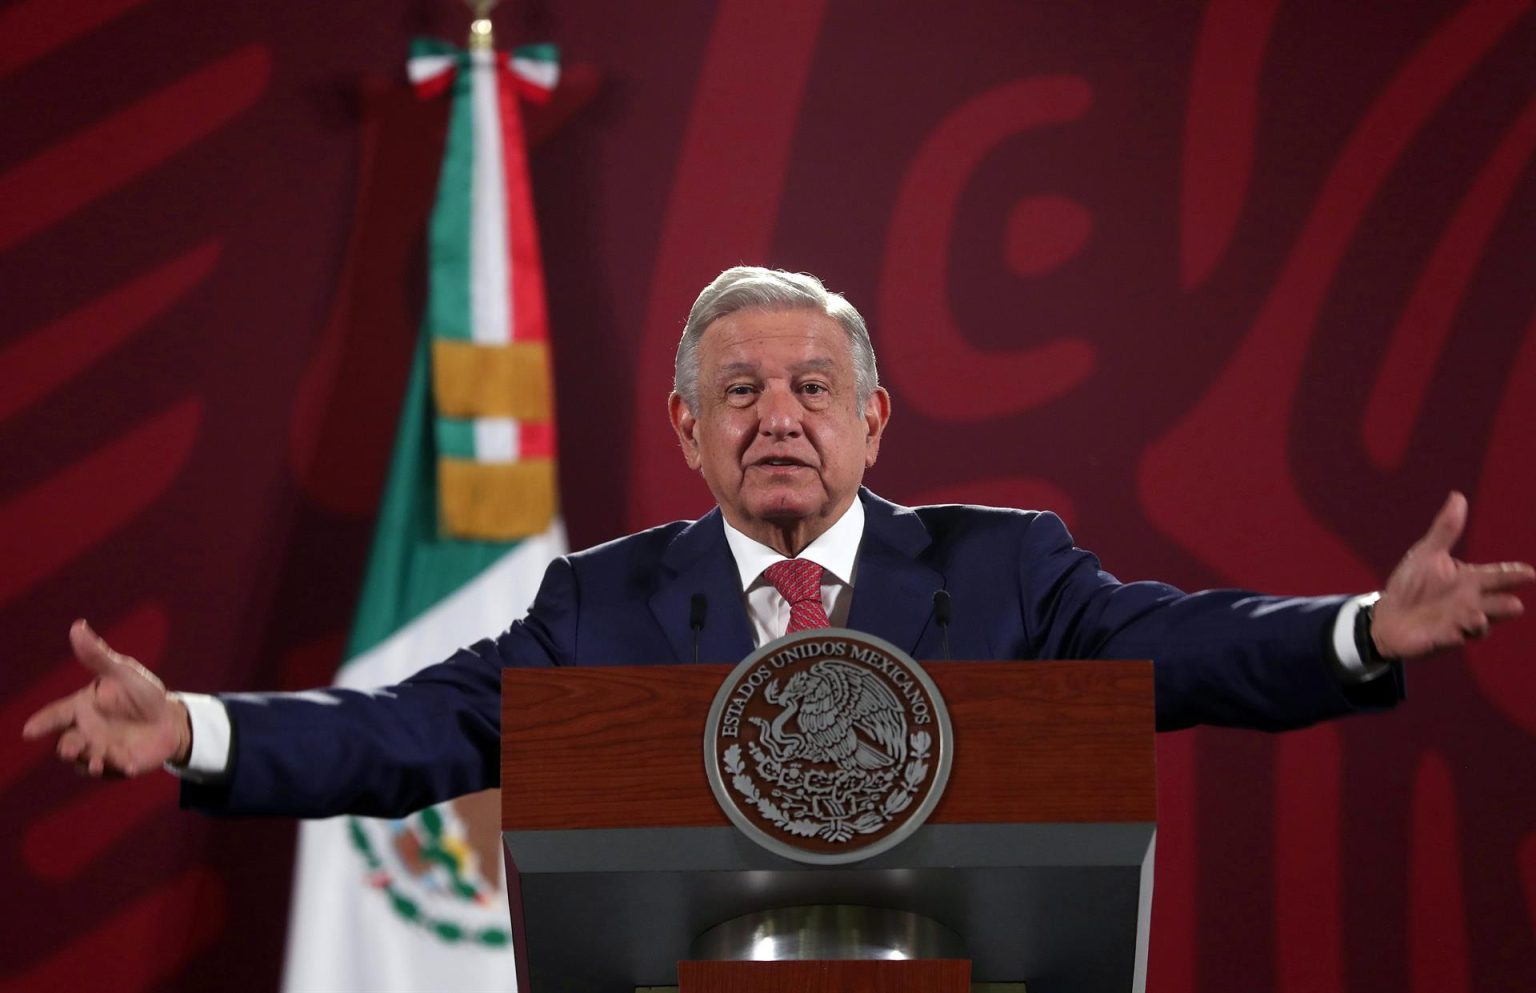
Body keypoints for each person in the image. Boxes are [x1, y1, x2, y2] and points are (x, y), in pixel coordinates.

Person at [22, 267, 1533, 819]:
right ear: (687, 434)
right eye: (736, 391)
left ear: (878, 418)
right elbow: (415, 731)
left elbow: (1182, 646)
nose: (779, 415)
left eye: (813, 387)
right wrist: (197, 729)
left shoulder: (1005, 567)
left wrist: (1357, 629)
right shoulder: (598, 604)